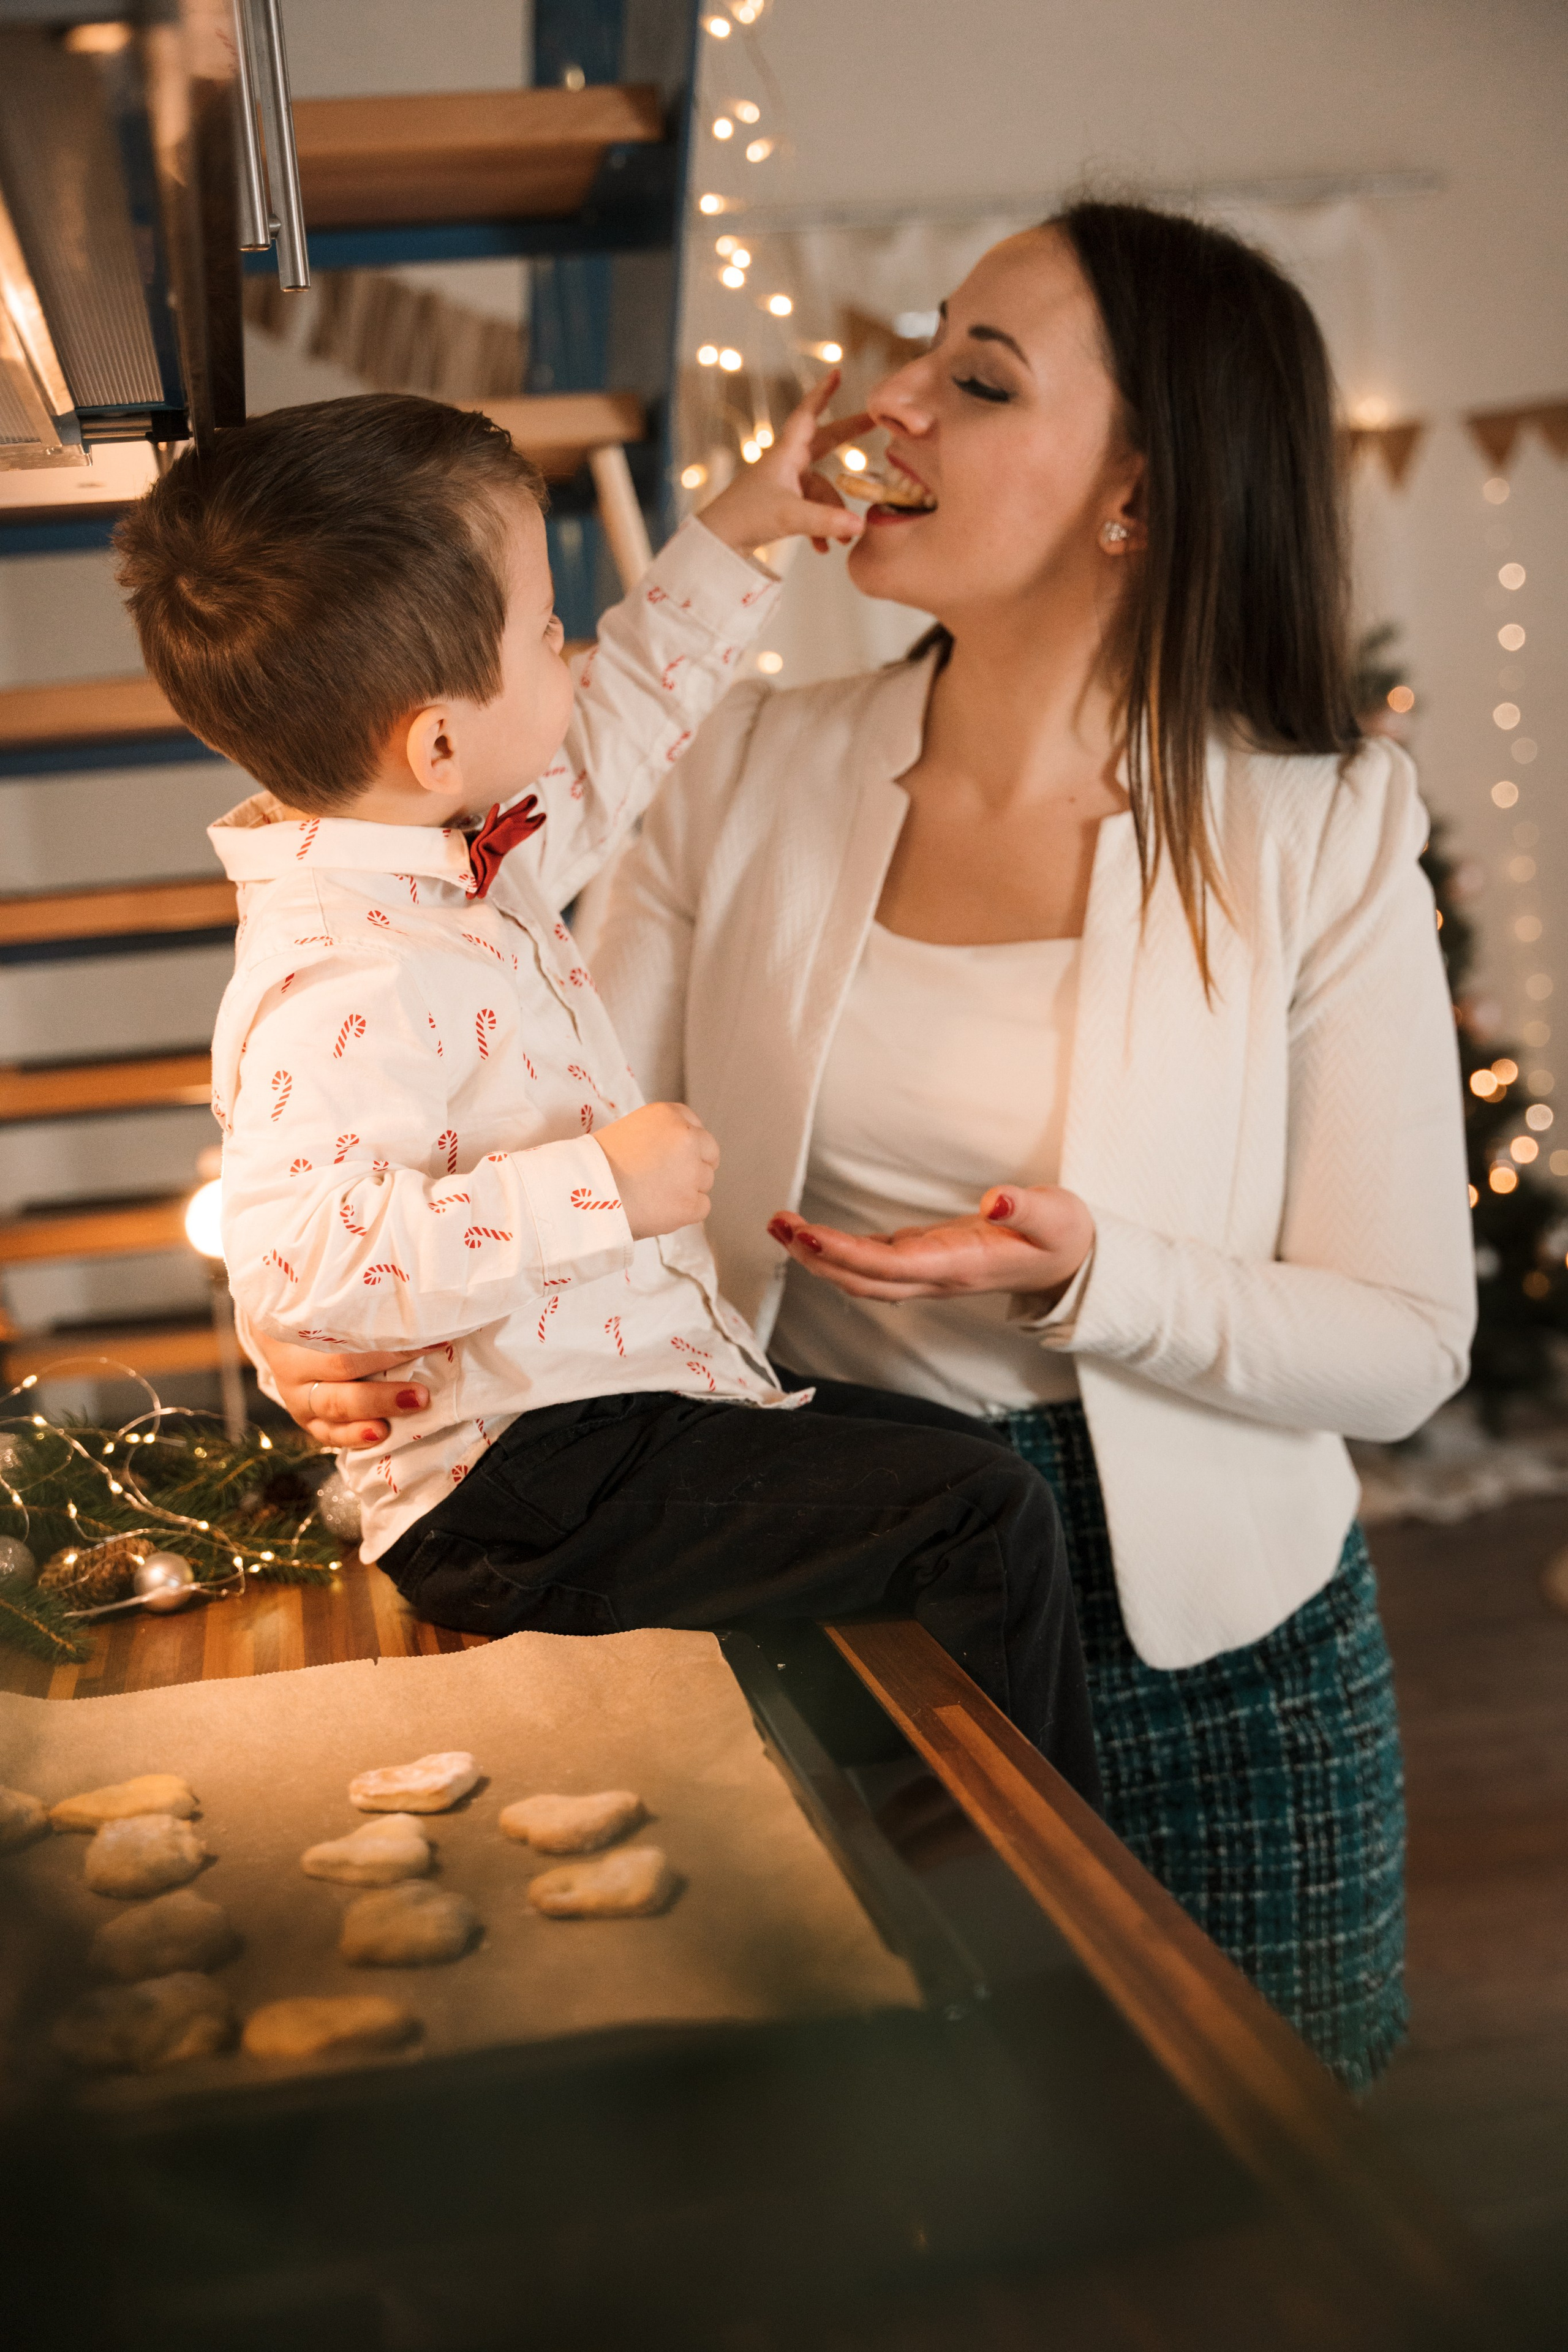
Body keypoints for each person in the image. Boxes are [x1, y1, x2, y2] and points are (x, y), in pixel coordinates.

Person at [276, 203, 1476, 2089]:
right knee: (908, 2203)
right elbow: (512, 1114)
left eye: (977, 379)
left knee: (1276, 2222)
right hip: (826, 1577)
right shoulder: (735, 768)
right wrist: (368, 1309)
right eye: (922, 344)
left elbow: (1407, 1344)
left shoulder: (1319, 831)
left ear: (1137, 504)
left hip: (1223, 1665)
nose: (890, 402)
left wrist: (1096, 1277)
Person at [115, 386, 1100, 1803]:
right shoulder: (341, 969)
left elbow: (625, 721)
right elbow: (304, 1256)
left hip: (595, 1424)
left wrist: (748, 528)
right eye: (544, 635)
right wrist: (603, 1188)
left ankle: (883, 1821)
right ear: (437, 742)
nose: (571, 653)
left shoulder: (458, 853)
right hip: (513, 1486)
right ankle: (1025, 1929)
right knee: (975, 1515)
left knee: (953, 1465)